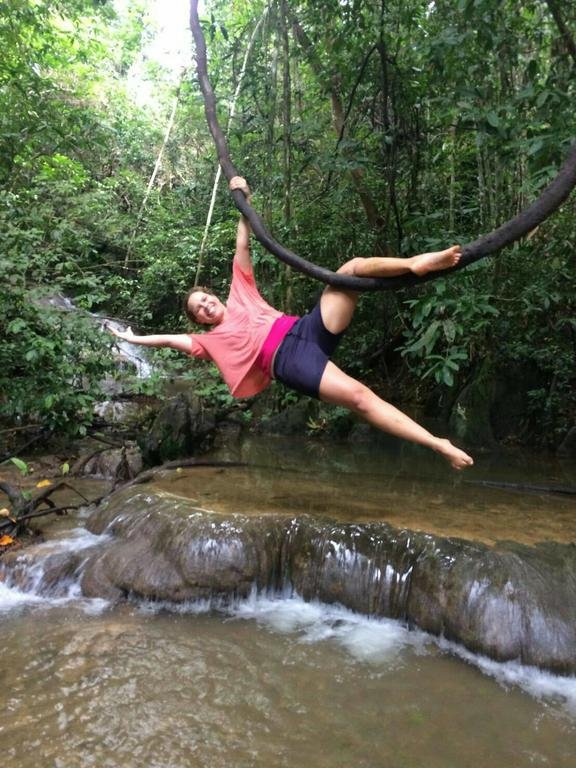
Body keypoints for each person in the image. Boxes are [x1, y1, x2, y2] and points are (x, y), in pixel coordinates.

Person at [110, 177, 473, 470]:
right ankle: (438, 444)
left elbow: (243, 247)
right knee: (360, 398)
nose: (205, 306)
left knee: (350, 268)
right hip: (288, 361)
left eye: (205, 298)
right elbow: (171, 341)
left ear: (213, 295)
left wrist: (243, 201)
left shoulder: (240, 290)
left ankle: (414, 263)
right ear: (198, 320)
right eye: (198, 309)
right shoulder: (209, 342)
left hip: (307, 329)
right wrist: (133, 338)